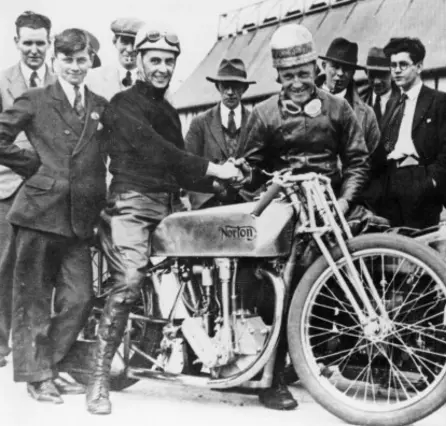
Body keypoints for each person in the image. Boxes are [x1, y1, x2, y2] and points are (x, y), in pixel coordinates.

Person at [85, 24, 243, 415]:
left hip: (168, 205)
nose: (161, 68)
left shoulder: (171, 112)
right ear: (139, 61)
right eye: (154, 60)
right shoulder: (121, 104)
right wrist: (213, 167)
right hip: (131, 205)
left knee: (211, 263)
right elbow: (155, 151)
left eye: (168, 61)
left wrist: (225, 176)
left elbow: (183, 172)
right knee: (130, 280)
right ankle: (98, 380)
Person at [239, 23, 369, 410]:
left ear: (316, 68)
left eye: (303, 73)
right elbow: (249, 170)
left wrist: (343, 202)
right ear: (278, 75)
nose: (297, 82)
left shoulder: (339, 108)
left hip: (331, 212)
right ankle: (271, 378)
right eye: (288, 75)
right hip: (285, 218)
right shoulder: (262, 115)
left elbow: (359, 160)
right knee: (283, 293)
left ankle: (337, 363)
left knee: (344, 288)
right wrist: (269, 204)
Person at [0, 28, 108, 403]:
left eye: (82, 61)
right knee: (32, 299)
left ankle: (51, 362)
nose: (75, 67)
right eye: (68, 60)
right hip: (38, 213)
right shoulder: (34, 99)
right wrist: (32, 166)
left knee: (80, 297)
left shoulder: (99, 104)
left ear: (89, 62)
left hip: (79, 219)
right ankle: (36, 376)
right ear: (55, 60)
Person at [0, 10, 56, 369]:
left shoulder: (59, 82)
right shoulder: (2, 82)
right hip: (7, 185)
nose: (34, 50)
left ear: (50, 44)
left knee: (40, 269)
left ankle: (37, 347)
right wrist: (27, 161)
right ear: (17, 42)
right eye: (28, 43)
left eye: (41, 43)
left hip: (47, 191)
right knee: (3, 264)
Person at [367, 37, 446, 229]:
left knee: (419, 250)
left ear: (418, 67)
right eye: (393, 66)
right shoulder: (393, 104)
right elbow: (384, 147)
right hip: (389, 183)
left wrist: (431, 182)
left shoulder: (439, 100)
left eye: (403, 65)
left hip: (419, 183)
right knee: (393, 249)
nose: (397, 70)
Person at [185, 58, 255, 209]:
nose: (230, 92)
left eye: (235, 86)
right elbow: (187, 167)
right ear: (218, 87)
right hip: (209, 205)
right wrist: (210, 191)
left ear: (244, 88)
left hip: (247, 206)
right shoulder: (200, 123)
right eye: (225, 86)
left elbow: (264, 168)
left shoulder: (256, 122)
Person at [316, 37, 380, 153]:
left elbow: (373, 160)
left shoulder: (366, 115)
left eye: (346, 69)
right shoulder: (302, 101)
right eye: (335, 66)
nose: (340, 73)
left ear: (353, 73)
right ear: (324, 66)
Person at [85, 17, 145, 100]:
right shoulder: (94, 77)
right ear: (115, 42)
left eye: (135, 43)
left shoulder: (152, 79)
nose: (130, 49)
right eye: (125, 42)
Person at [360, 46, 399, 127]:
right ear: (366, 73)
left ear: (392, 74)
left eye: (382, 74)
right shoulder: (358, 100)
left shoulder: (404, 100)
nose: (376, 81)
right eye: (372, 74)